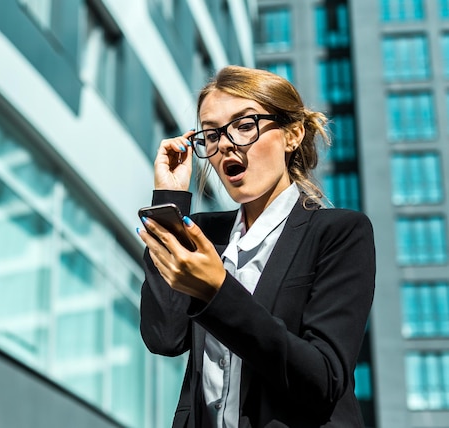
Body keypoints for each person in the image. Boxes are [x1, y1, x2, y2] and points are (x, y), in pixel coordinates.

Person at [137, 65, 375, 428]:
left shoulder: (339, 232)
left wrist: (218, 291)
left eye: (245, 125)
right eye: (212, 134)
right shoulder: (204, 234)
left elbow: (323, 379)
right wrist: (169, 199)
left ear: (293, 134)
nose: (227, 144)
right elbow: (164, 337)